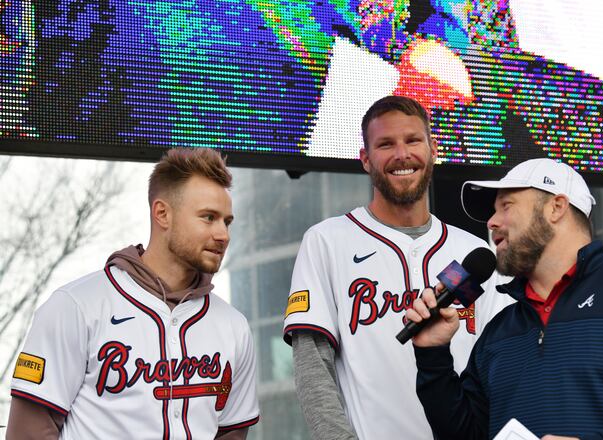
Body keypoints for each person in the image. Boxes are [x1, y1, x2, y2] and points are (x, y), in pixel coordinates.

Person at [406, 158, 603, 439]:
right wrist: (433, 357)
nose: (492, 222)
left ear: (556, 207)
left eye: (506, 206)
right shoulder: (499, 331)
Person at [282, 95, 511, 439]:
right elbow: (313, 365)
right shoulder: (328, 241)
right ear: (365, 159)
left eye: (413, 140)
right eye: (385, 144)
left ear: (433, 149)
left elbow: (503, 365)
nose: (402, 154)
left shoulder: (473, 252)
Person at [7, 148, 260, 439]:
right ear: (162, 213)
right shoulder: (76, 306)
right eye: (208, 217)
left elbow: (232, 433)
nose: (223, 234)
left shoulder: (234, 326)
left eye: (227, 221)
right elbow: (28, 432)